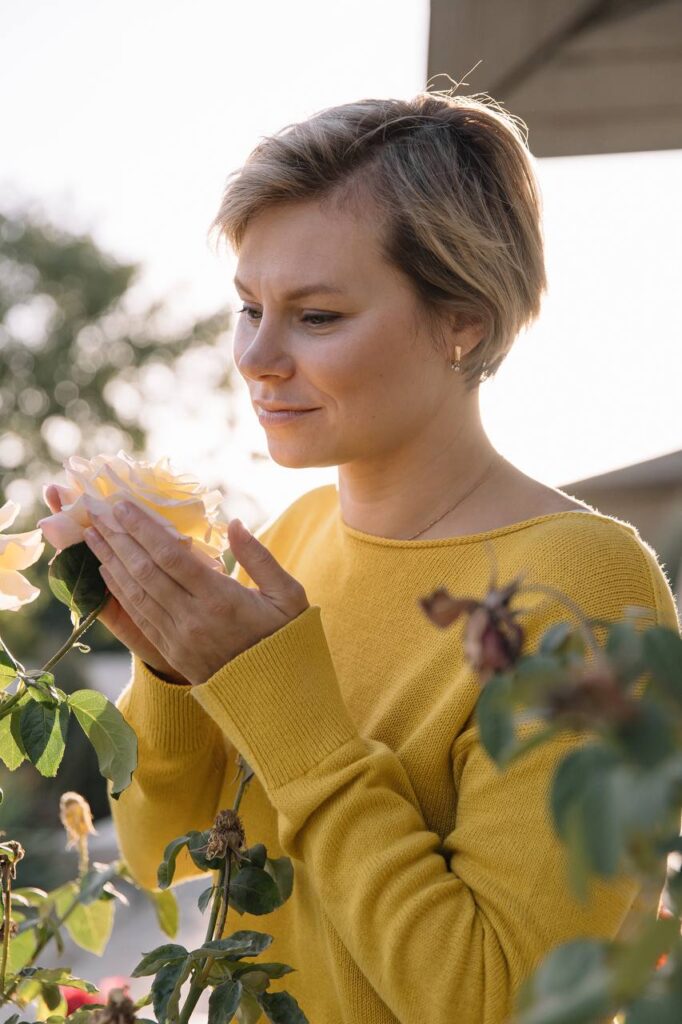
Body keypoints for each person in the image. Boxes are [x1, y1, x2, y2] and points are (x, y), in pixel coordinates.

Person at [48, 91, 680, 1023]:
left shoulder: (582, 591)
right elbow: (165, 858)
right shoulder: (292, 537)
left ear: (463, 320)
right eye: (249, 307)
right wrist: (171, 667)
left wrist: (287, 707)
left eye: (316, 316)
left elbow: (506, 1000)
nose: (256, 357)